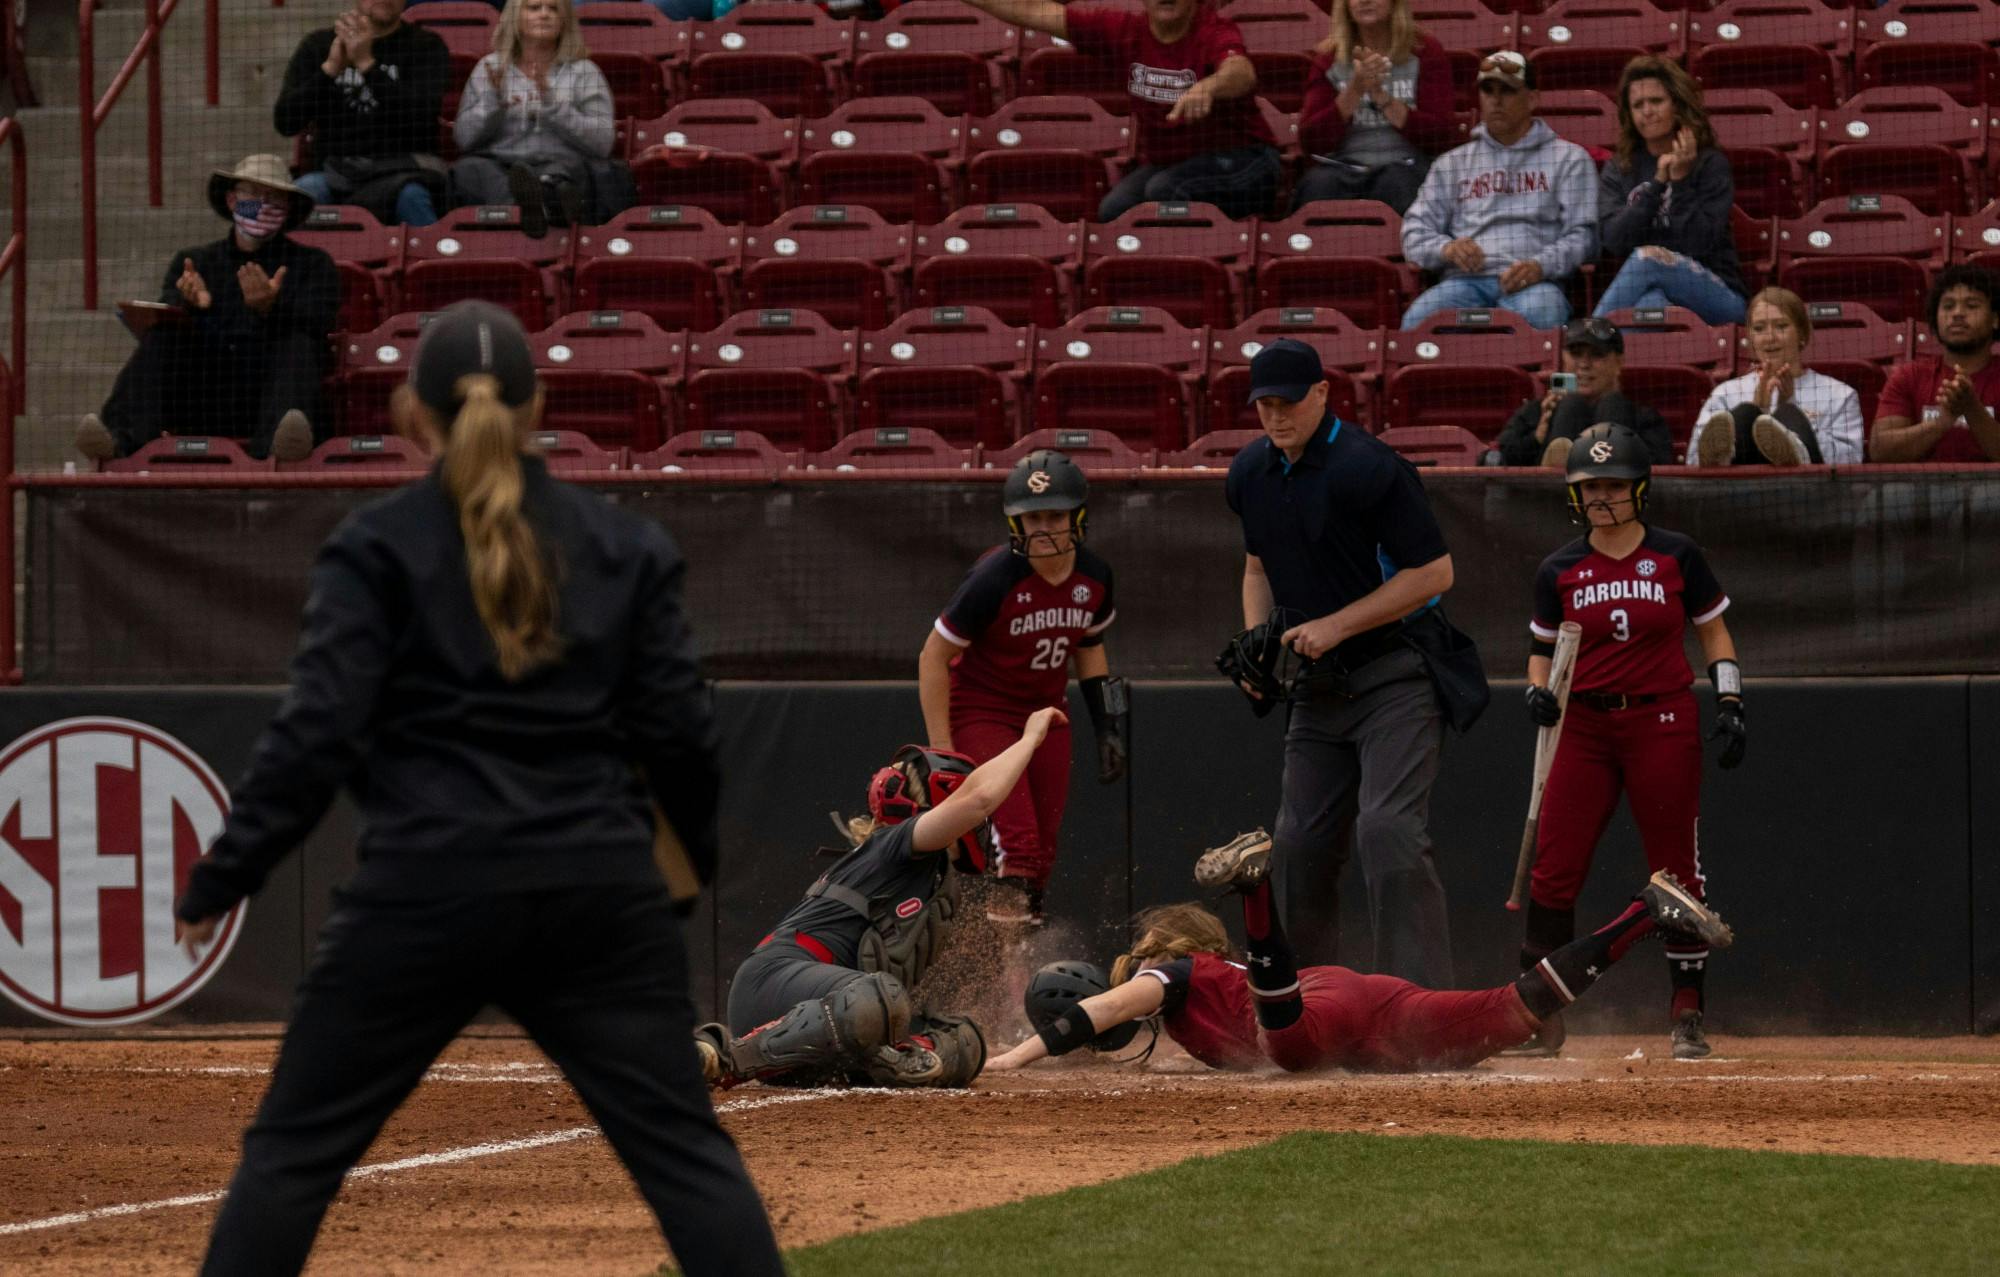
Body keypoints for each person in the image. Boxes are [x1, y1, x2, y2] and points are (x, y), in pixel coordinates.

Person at [169, 301, 782, 1277]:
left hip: (422, 886)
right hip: (595, 892)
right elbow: (681, 735)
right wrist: (679, 867)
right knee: (686, 1158)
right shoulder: (623, 545)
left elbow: (313, 736)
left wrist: (221, 877)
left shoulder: (374, 548)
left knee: (292, 1156)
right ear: (535, 406)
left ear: (413, 414)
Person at [985, 829, 1735, 1073]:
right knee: (1509, 1014)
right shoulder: (1205, 989)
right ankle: (1646, 910)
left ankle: (1255, 888)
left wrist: (1009, 1056)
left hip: (1306, 1007)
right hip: (1364, 1003)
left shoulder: (1176, 972)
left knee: (1283, 1043)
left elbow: (1115, 1005)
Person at [1221, 338, 1470, 987]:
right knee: (1298, 845)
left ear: (1324, 393)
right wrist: (1259, 639)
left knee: (1387, 831)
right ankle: (1308, 1001)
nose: (1277, 416)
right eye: (1265, 405)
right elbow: (1255, 568)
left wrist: (1334, 625)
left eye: (1289, 402)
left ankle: (1415, 1008)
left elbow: (1435, 573)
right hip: (1316, 687)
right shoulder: (1250, 474)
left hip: (1397, 671)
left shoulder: (1368, 466)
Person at [1514, 422, 1745, 1060]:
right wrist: (1536, 690)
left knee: (1674, 869)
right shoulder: (1559, 567)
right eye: (1590, 488)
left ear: (1640, 489)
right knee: (1554, 870)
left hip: (1661, 720)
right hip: (1583, 725)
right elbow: (1539, 650)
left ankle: (1687, 1011)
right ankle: (1541, 1014)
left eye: (1614, 486)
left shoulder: (1677, 555)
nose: (1602, 498)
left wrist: (1730, 699)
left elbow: (1715, 633)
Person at [696, 717, 1066, 1089]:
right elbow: (979, 799)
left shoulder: (929, 869)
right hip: (770, 985)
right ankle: (726, 1058)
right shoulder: (895, 843)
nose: (982, 822)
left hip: (823, 1005)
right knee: (881, 998)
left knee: (963, 1040)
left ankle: (864, 1063)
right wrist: (1030, 739)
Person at [917, 450, 1127, 925]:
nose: (1044, 528)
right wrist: (942, 753)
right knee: (1019, 844)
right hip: (983, 710)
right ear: (1015, 524)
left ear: (1078, 516)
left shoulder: (1095, 576)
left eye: (1055, 515)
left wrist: (1107, 726)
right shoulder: (995, 577)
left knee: (1043, 852)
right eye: (1031, 518)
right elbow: (933, 656)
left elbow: (1090, 649)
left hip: (1048, 713)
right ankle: (1006, 976)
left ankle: (1018, 960)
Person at [74, 155, 337, 463]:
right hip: (204, 397)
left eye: (275, 197)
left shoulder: (314, 264)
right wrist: (193, 305)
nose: (263, 204)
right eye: (252, 194)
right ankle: (119, 441)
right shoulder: (194, 262)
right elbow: (168, 314)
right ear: (231, 200)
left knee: (300, 346)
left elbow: (320, 325)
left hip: (273, 394)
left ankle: (280, 450)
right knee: (161, 336)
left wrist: (271, 308)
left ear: (288, 208)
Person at [955, 0, 1280, 221]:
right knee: (1115, 211)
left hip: (1246, 161)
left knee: (1164, 191)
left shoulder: (1213, 30)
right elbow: (1036, 11)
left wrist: (1209, 87)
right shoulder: (1123, 31)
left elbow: (1241, 71)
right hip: (1172, 163)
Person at [1399, 50, 1596, 331]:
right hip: (1462, 283)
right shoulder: (1452, 163)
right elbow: (1413, 233)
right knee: (1418, 324)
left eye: (1508, 90)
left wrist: (1540, 266)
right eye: (1488, 90)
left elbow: (1584, 237)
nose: (1496, 100)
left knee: (1544, 313)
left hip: (1535, 284)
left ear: (1532, 99)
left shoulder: (1569, 159)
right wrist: (1447, 248)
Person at [1591, 56, 1746, 325]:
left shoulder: (1710, 164)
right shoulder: (1620, 168)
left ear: (1677, 105)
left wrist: (1682, 181)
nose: (1647, 111)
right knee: (1652, 306)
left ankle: (1588, 344)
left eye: (1656, 101)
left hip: (1719, 298)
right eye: (1638, 105)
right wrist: (1659, 183)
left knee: (1647, 258)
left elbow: (1697, 243)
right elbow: (1614, 240)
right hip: (1650, 292)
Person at [275, 0, 451, 226]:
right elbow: (285, 122)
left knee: (412, 198)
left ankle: (433, 260)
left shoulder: (426, 45)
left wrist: (366, 63)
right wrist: (329, 70)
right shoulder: (318, 46)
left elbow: (420, 117)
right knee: (304, 193)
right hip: (334, 172)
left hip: (403, 170)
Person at [451, 0, 614, 237]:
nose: (544, 14)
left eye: (553, 8)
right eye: (534, 7)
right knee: (469, 169)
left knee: (566, 175)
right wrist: (493, 104)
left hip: (561, 164)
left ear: (564, 20)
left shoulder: (585, 71)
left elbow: (602, 143)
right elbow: (464, 140)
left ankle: (533, 207)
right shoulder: (489, 68)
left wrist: (552, 105)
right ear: (515, 16)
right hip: (500, 164)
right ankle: (534, 207)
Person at [1294, 0, 1455, 215]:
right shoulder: (1329, 57)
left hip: (1407, 165)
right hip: (1343, 167)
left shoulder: (1425, 50)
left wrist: (1382, 97)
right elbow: (1311, 141)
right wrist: (1355, 89)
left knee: (1396, 184)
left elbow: (1441, 136)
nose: (1364, 1)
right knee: (1318, 187)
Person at [1689, 287, 1864, 466]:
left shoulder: (1840, 394)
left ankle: (1795, 447)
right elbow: (1693, 461)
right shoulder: (1725, 393)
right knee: (1744, 414)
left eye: (1781, 326)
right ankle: (1726, 455)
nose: (1770, 337)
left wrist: (1791, 413)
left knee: (1788, 413)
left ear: (1802, 334)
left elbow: (1850, 461)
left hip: (1809, 488)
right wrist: (1757, 409)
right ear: (1750, 338)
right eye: (1759, 328)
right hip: (1739, 488)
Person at [1493, 316, 1675, 468]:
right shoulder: (1537, 412)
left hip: (1620, 505)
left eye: (1596, 354)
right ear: (1563, 357)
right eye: (1576, 354)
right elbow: (1495, 462)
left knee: (1613, 405)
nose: (1584, 364)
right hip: (1547, 506)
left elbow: (1661, 468)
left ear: (1619, 362)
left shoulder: (1643, 417)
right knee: (1572, 406)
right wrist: (1537, 437)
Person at [1870, 264, 2000, 463]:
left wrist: (1972, 408)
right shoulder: (1909, 376)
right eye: (1948, 306)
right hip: (1922, 494)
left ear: (1995, 319)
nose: (1957, 313)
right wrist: (1942, 420)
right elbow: (1880, 451)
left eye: (1972, 305)